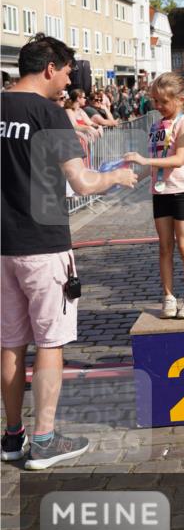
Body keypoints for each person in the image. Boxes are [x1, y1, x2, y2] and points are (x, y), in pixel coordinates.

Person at [1, 34, 137, 469]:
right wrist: (116, 178)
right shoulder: (48, 114)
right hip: (42, 244)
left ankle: (11, 436)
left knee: (8, 344)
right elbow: (81, 183)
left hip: (1, 245)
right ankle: (43, 440)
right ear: (48, 68)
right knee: (50, 342)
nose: (67, 80)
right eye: (65, 71)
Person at [124, 73, 184, 319]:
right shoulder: (157, 125)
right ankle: (169, 296)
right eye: (155, 101)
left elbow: (178, 159)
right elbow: (156, 162)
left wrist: (145, 160)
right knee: (164, 246)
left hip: (181, 190)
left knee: (183, 244)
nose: (157, 107)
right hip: (160, 191)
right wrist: (136, 174)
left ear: (179, 99)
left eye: (162, 102)